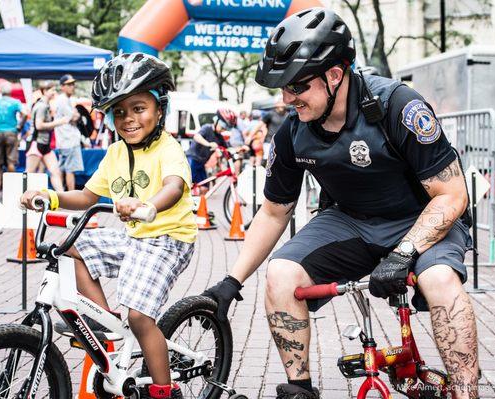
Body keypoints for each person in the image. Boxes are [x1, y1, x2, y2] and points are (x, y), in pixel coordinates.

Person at [203, 7, 478, 399]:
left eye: (297, 86)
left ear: (335, 74)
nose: (287, 98)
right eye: (282, 88)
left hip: (422, 219)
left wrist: (404, 253)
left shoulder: (399, 106)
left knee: (440, 281)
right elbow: (274, 211)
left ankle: (467, 392)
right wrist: (232, 281)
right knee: (281, 275)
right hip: (350, 221)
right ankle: (300, 390)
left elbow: (452, 195)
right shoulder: (292, 132)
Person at [21, 53, 196, 399]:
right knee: (70, 248)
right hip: (136, 238)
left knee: (140, 318)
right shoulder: (116, 152)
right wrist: (49, 196)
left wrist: (148, 205)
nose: (128, 119)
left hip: (168, 238)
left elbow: (174, 186)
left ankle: (164, 390)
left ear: (159, 109)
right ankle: (105, 325)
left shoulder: (168, 148)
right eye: (119, 111)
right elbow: (88, 196)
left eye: (139, 108)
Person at [25, 81, 66, 191]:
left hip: (45, 145)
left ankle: (61, 198)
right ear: (45, 91)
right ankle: (21, 201)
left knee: (55, 172)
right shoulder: (41, 106)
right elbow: (39, 125)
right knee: (29, 174)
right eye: (52, 90)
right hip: (36, 143)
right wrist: (59, 122)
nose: (54, 92)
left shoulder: (45, 105)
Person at [186, 108, 236, 191]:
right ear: (216, 121)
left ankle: (199, 203)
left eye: (226, 129)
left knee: (205, 188)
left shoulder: (220, 137)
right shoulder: (207, 128)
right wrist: (209, 144)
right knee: (186, 186)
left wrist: (240, 149)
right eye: (223, 127)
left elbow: (228, 148)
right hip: (192, 160)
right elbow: (197, 136)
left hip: (201, 164)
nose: (223, 130)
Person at [0, 81, 25, 192]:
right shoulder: (15, 102)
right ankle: (10, 187)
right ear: (10, 91)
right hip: (11, 133)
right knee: (11, 162)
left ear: (0, 91)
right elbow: (25, 114)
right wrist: (19, 126)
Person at [54, 74, 83, 190]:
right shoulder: (63, 100)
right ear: (62, 86)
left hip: (65, 140)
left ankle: (60, 195)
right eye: (69, 84)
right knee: (70, 170)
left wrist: (75, 114)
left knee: (62, 169)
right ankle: (70, 196)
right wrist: (76, 114)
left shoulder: (65, 99)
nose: (73, 86)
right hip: (68, 139)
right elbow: (74, 117)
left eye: (73, 84)